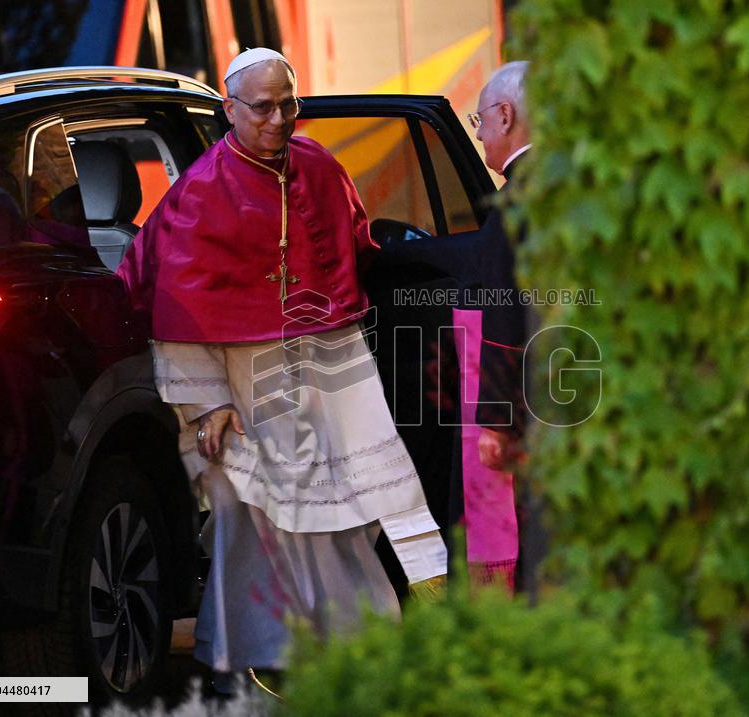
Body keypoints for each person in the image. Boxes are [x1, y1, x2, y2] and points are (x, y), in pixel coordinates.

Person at [117, 48, 447, 691]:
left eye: (288, 105)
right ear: (228, 108)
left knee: (377, 491)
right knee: (268, 516)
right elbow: (175, 306)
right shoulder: (200, 193)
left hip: (333, 355)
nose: (277, 120)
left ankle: (380, 634)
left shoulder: (322, 165)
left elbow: (360, 244)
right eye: (262, 107)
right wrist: (207, 403)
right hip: (246, 371)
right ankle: (270, 654)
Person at [456, 61, 532, 591]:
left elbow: (505, 315)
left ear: (504, 115)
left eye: (480, 119)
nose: (480, 133)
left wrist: (497, 419)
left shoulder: (513, 203)